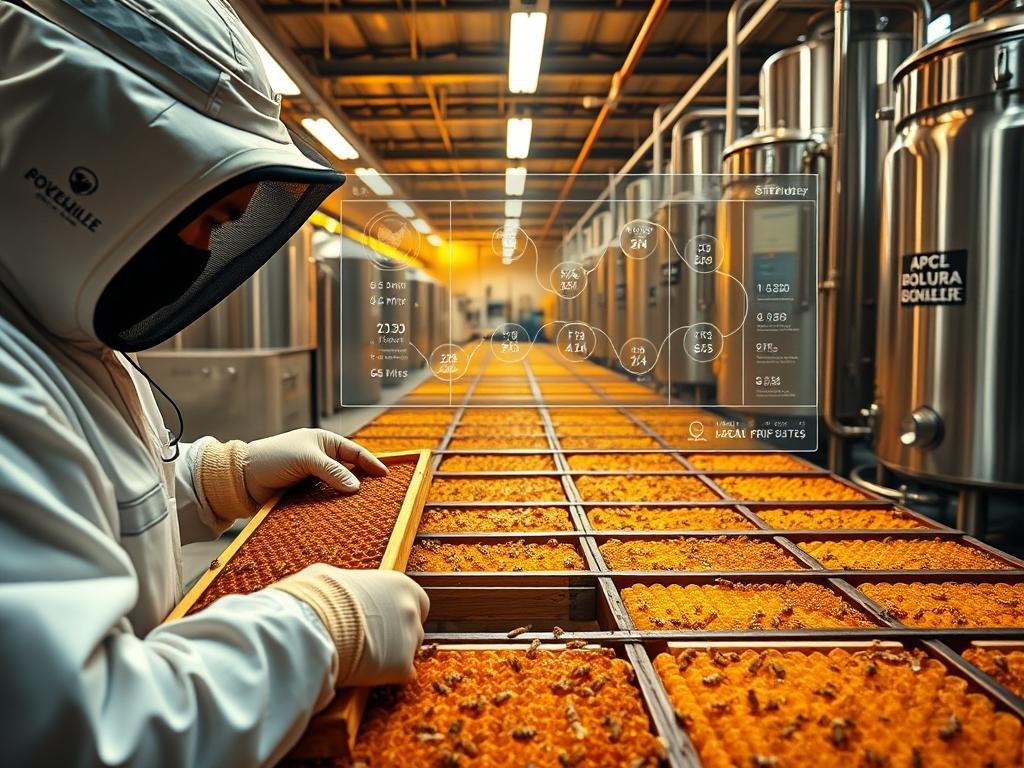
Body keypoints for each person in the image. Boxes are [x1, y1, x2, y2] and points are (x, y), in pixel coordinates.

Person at [0, 1, 428, 765]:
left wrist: (212, 478)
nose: (202, 250)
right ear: (97, 174)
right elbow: (73, 732)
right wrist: (310, 631)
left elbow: (85, 496)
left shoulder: (49, 332)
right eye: (204, 218)